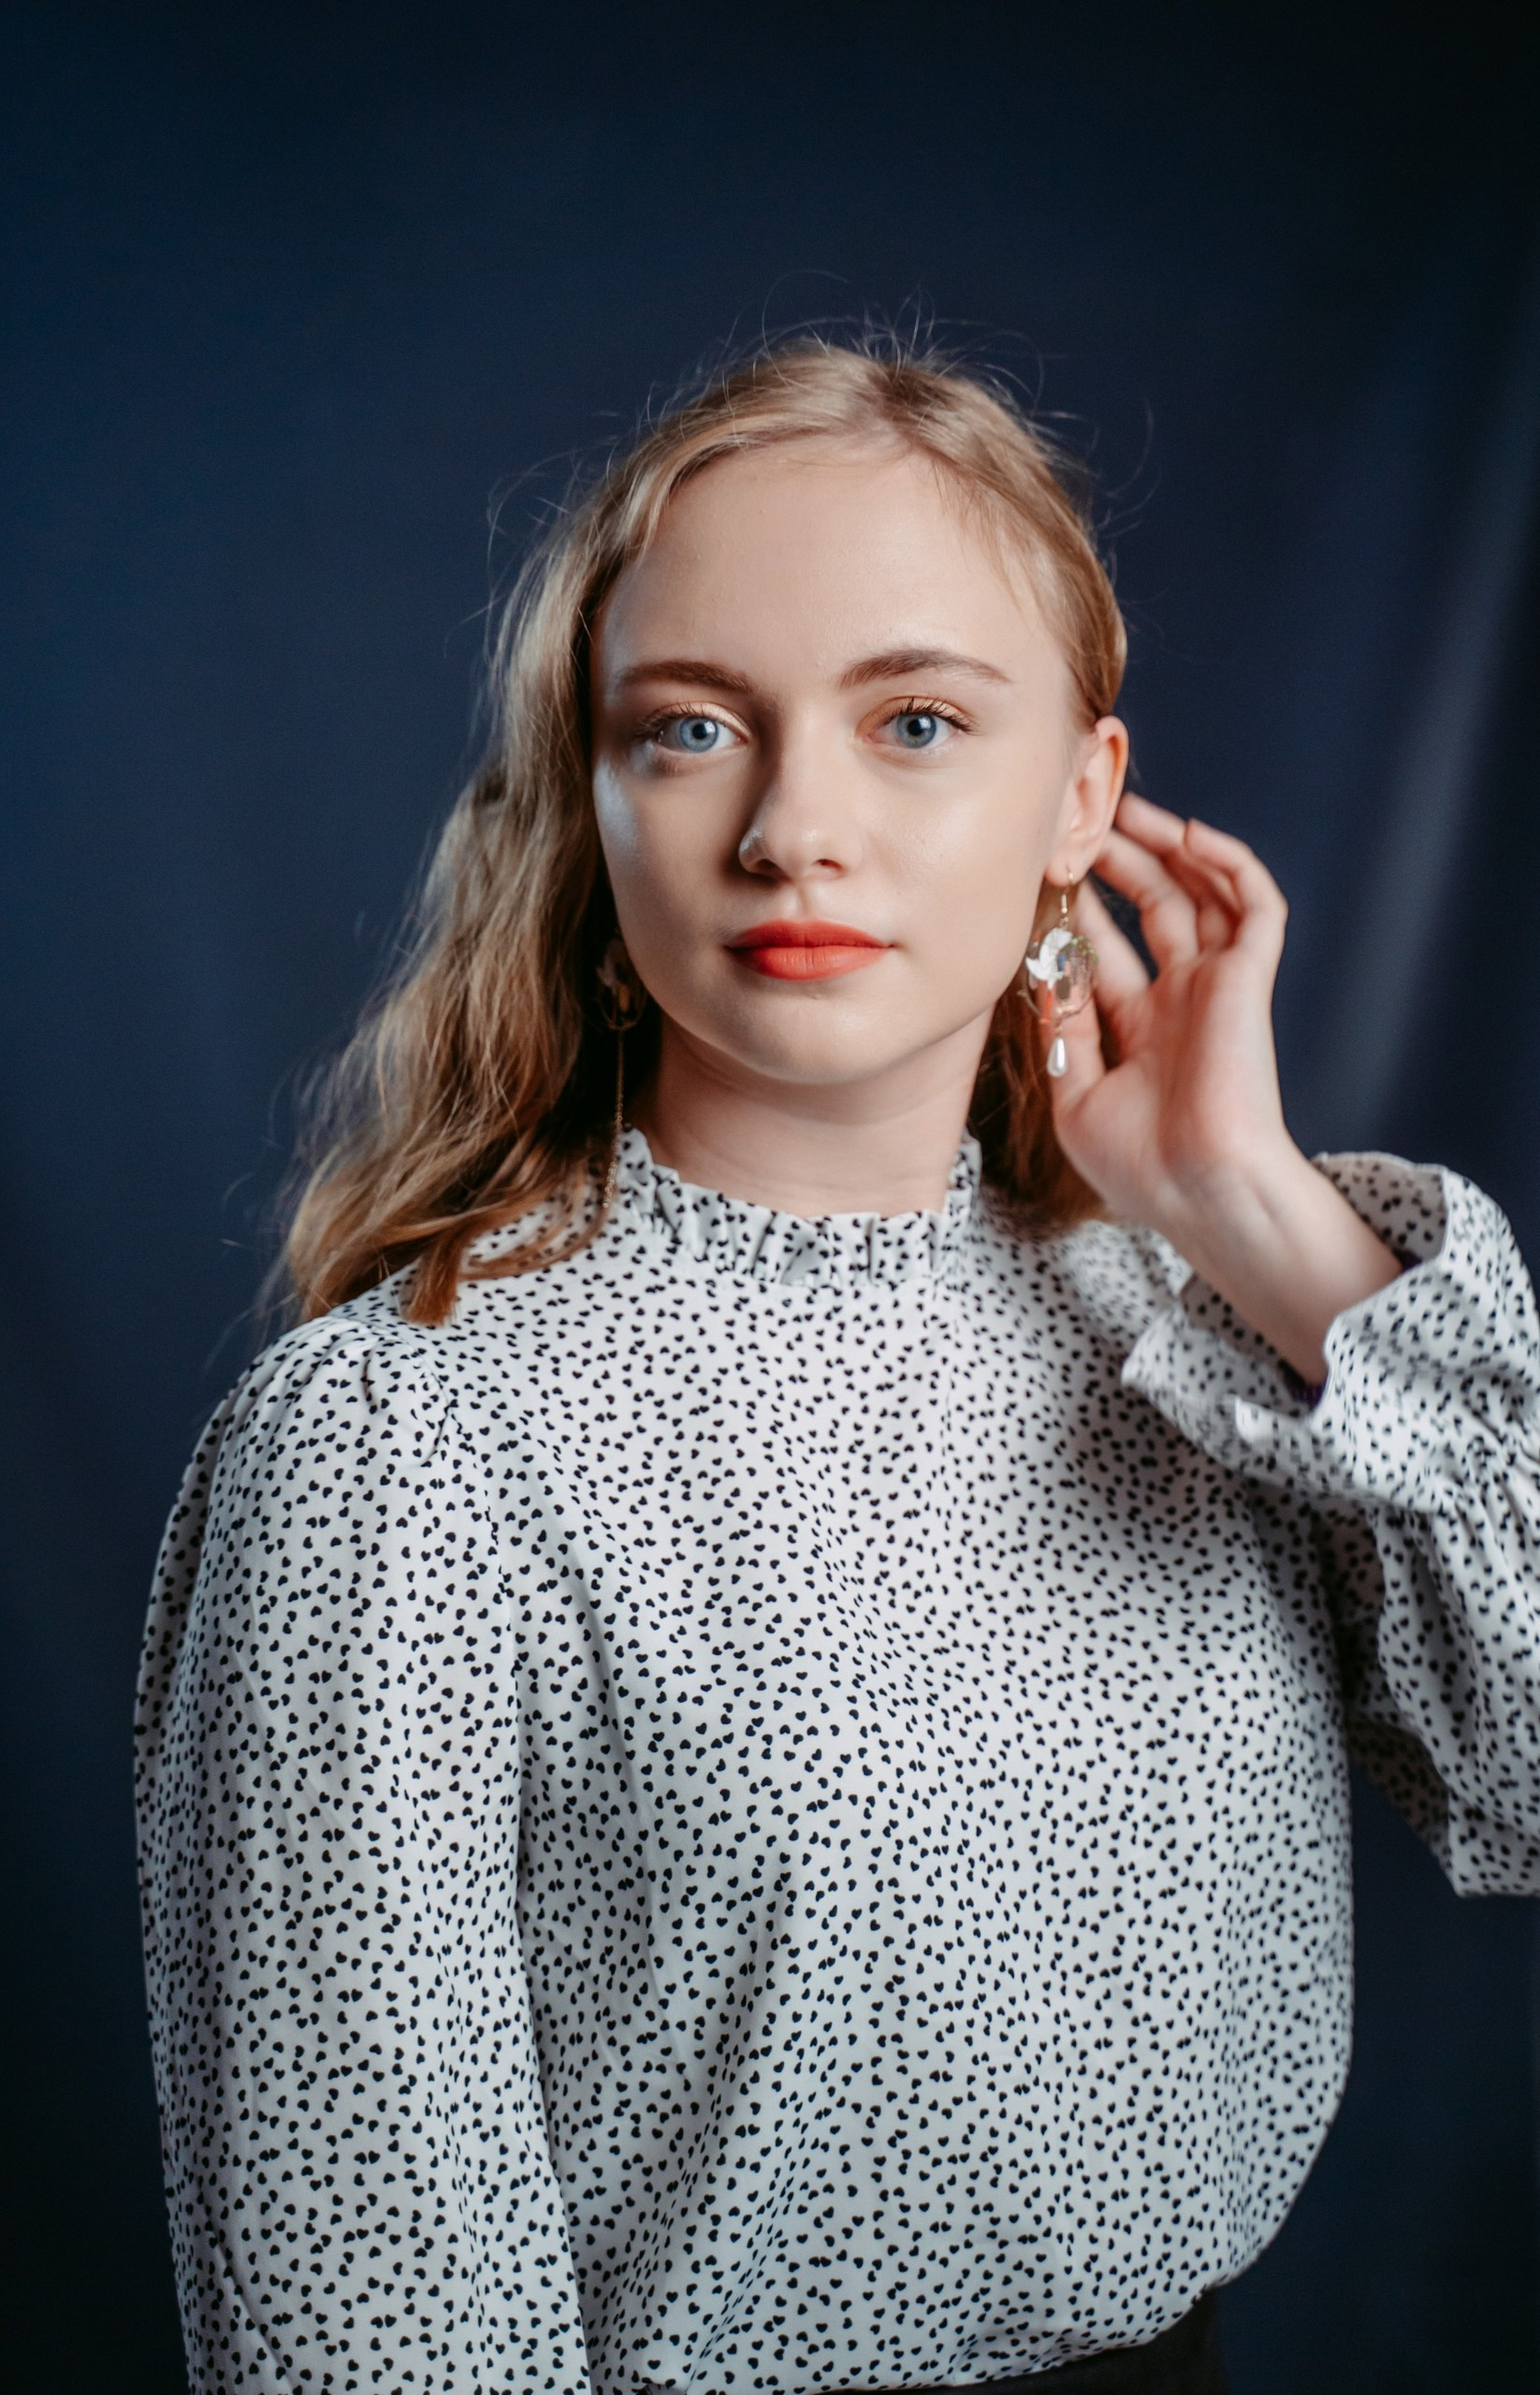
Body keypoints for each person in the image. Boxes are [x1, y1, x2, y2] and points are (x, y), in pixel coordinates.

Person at [136, 337, 1540, 2395]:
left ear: (1082, 797)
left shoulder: (1211, 1333)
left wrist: (1252, 1209)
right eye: (692, 728)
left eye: (914, 721)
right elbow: (368, 2323)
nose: (796, 826)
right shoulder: (397, 1446)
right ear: (596, 801)